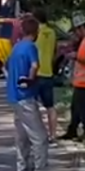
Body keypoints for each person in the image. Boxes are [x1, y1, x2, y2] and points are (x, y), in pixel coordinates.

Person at [4, 15, 49, 171]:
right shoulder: (31, 47)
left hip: (14, 97)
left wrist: (13, 80)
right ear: (36, 32)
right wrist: (29, 79)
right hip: (26, 97)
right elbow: (35, 66)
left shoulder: (16, 47)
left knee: (22, 137)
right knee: (39, 137)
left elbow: (6, 66)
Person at [59, 14, 85, 142]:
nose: (76, 33)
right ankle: (72, 130)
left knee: (84, 108)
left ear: (81, 28)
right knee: (75, 107)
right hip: (80, 80)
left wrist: (76, 57)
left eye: (76, 30)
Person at [32, 9, 57, 142]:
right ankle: (53, 134)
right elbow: (54, 51)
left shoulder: (36, 32)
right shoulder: (52, 33)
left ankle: (37, 134)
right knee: (50, 106)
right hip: (48, 72)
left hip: (37, 73)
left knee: (34, 106)